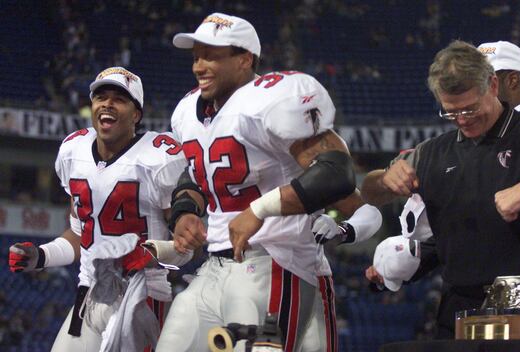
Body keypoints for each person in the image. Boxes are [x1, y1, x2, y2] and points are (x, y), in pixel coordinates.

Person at [156, 13, 381, 352]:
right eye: (196, 56)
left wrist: (259, 209)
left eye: (212, 55)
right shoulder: (187, 110)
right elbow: (199, 167)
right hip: (212, 268)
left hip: (272, 260)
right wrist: (185, 211)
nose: (198, 66)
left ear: (244, 59)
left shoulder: (270, 100)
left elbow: (336, 172)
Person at [361, 40, 520, 339]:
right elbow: (369, 192)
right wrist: (386, 179)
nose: (462, 119)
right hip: (458, 303)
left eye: (471, 108)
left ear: (493, 85)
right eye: (451, 113)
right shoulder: (432, 153)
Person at [8, 67, 189, 351]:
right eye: (100, 97)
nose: (107, 103)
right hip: (89, 295)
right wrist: (40, 256)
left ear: (136, 114)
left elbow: (187, 245)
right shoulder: (73, 151)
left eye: (119, 99)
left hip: (143, 296)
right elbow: (81, 236)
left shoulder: (160, 157)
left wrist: (151, 253)